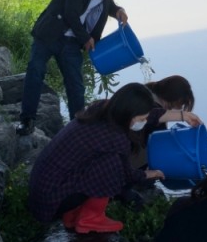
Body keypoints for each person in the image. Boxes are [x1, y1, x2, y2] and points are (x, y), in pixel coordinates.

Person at [16, 0, 132, 136]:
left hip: (71, 41)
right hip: (49, 34)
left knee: (76, 85)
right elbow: (70, 12)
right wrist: (86, 38)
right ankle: (26, 120)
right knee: (35, 72)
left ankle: (78, 127)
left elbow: (108, 5)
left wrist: (118, 11)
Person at [27, 83, 165, 233]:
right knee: (112, 164)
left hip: (42, 191)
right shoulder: (117, 137)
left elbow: (149, 116)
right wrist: (150, 174)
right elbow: (127, 175)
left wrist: (182, 115)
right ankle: (90, 218)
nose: (144, 122)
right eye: (142, 118)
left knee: (96, 160)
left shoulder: (101, 109)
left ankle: (73, 214)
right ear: (130, 113)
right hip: (51, 202)